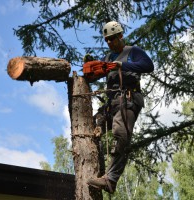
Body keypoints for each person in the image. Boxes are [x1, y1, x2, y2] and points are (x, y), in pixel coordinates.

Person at [86, 21, 154, 194]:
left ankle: (110, 180)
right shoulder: (108, 58)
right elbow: (97, 76)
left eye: (112, 39)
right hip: (112, 103)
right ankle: (98, 169)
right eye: (107, 40)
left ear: (120, 36)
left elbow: (148, 66)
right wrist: (92, 70)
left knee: (121, 134)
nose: (109, 42)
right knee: (93, 124)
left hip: (128, 99)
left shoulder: (133, 52)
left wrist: (123, 65)